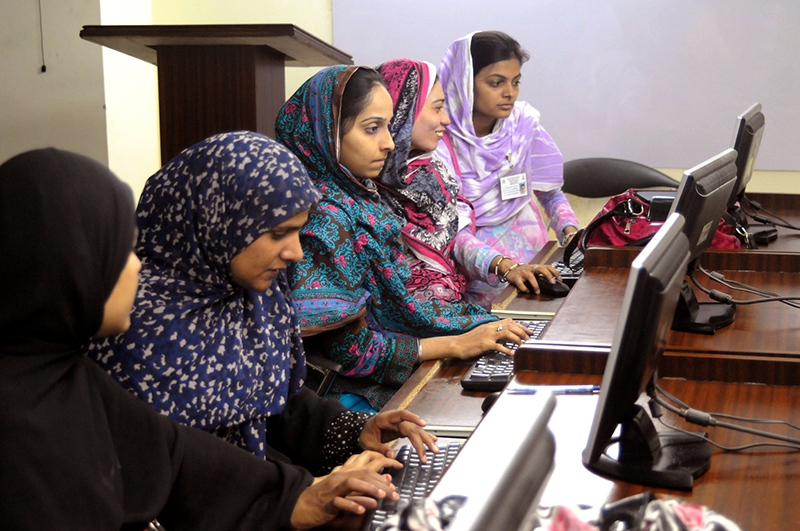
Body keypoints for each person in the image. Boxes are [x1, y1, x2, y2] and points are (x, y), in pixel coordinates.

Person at [0, 146, 409, 530]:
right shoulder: (30, 418)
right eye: (121, 252)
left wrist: (299, 493)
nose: (136, 269)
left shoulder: (69, 376)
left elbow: (177, 457)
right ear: (65, 267)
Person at [85, 132, 437, 467]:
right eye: (277, 233)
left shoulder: (255, 293)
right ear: (215, 222)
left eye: (299, 230)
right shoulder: (130, 325)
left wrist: (356, 431)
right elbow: (182, 474)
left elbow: (279, 406)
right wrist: (298, 496)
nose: (296, 252)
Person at [275, 66, 530, 412]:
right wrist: (454, 345)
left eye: (388, 125)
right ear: (328, 133)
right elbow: (347, 351)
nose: (390, 142)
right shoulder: (323, 217)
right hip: (353, 399)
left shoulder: (362, 198)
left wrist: (468, 333)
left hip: (398, 374)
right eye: (371, 128)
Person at [374, 58, 560, 312]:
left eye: (515, 82)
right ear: (404, 111)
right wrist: (505, 267)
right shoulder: (371, 185)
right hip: (419, 324)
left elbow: (453, 234)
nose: (446, 120)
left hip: (454, 306)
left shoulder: (431, 170)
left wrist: (508, 266)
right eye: (437, 108)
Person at [437, 31, 580, 307]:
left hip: (538, 263)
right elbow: (453, 232)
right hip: (480, 277)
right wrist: (506, 267)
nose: (509, 93)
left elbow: (549, 193)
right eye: (496, 83)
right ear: (464, 83)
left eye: (515, 82)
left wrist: (573, 237)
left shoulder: (523, 124)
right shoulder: (438, 141)